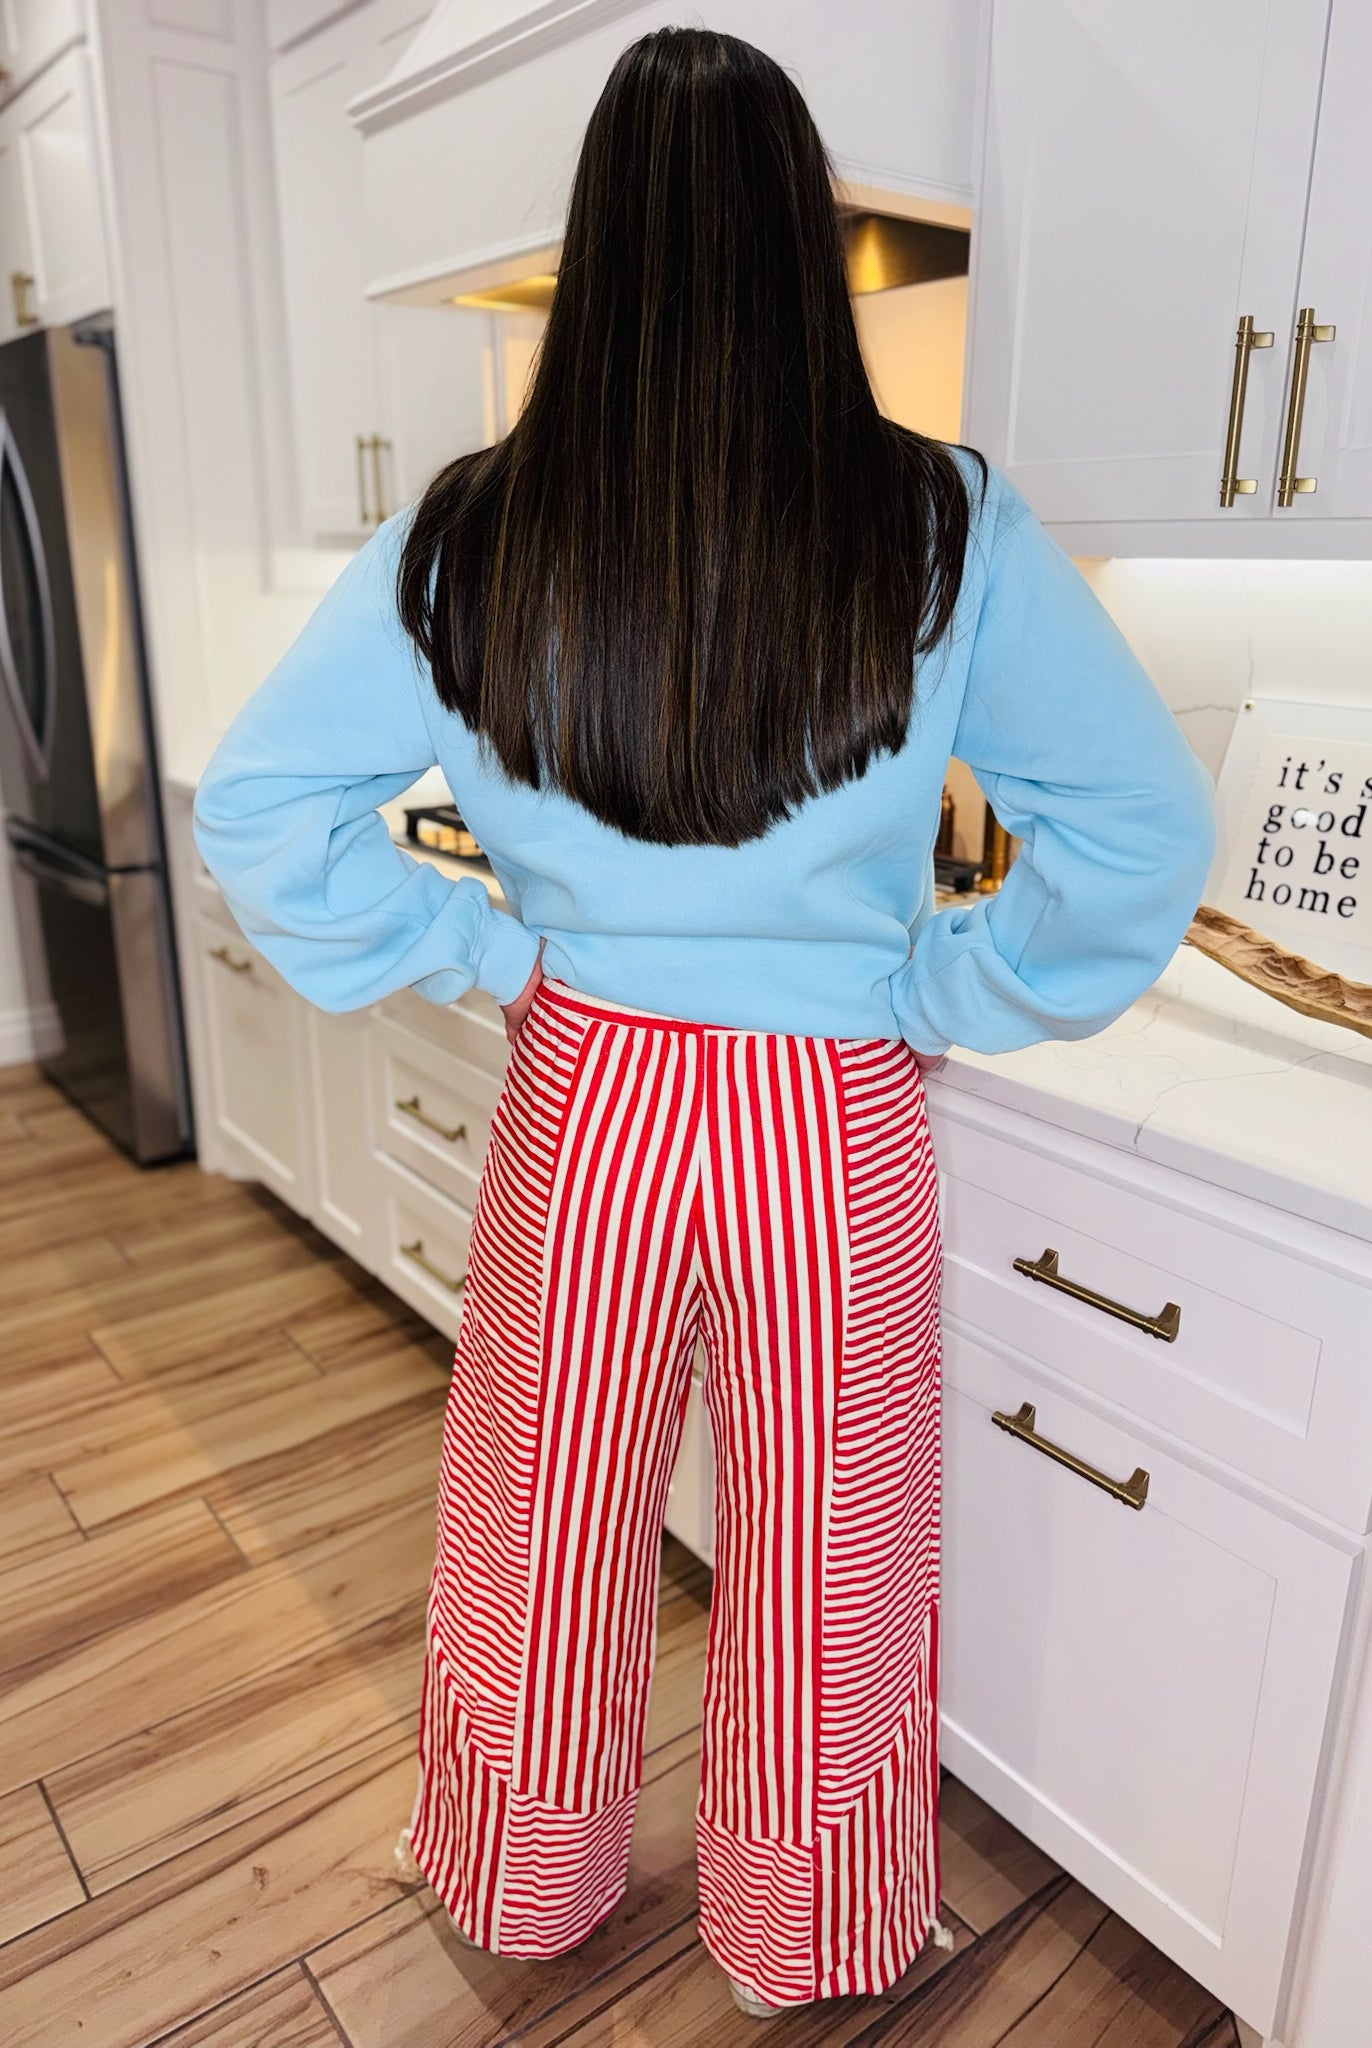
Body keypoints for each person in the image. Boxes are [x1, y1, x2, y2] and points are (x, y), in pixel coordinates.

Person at [192, 24, 1215, 2020]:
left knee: (541, 1521)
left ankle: (518, 1875)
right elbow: (1140, 833)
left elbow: (260, 808)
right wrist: (933, 981)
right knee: (830, 1557)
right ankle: (805, 1925)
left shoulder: (471, 534)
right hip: (832, 1112)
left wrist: (487, 955)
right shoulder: (937, 525)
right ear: (800, 251)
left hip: (586, 1091)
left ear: (597, 252)